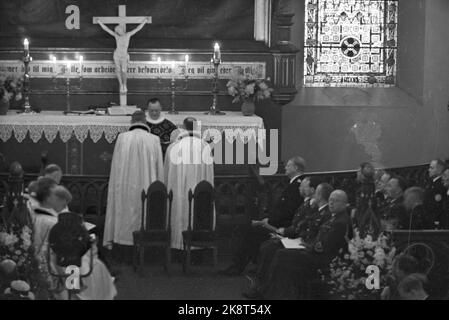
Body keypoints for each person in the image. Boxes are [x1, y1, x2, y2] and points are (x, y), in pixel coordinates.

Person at [250, 190, 350, 300]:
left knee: (282, 255)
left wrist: (306, 246)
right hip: (314, 252)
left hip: (322, 258)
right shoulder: (334, 217)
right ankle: (270, 291)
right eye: (330, 200)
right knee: (279, 253)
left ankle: (270, 293)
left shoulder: (340, 221)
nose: (331, 203)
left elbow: (323, 246)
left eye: (336, 201)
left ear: (345, 203)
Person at [219, 157, 305, 276]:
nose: (285, 167)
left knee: (245, 231)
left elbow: (288, 211)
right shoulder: (295, 184)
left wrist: (268, 221)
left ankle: (239, 266)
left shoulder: (296, 186)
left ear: (296, 168)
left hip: (283, 226)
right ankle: (255, 266)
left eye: (288, 165)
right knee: (248, 230)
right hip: (279, 222)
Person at [103, 110, 164, 249]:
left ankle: (123, 241)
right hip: (147, 184)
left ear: (131, 122)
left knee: (125, 208)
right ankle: (144, 242)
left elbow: (116, 166)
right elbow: (159, 167)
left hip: (125, 183)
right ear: (145, 122)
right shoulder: (154, 139)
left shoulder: (122, 138)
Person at [165, 117, 214, 250]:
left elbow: (167, 177)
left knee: (179, 207)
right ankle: (198, 248)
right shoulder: (205, 146)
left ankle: (177, 245)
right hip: (200, 197)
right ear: (196, 127)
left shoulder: (173, 147)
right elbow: (209, 179)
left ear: (183, 127)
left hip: (178, 194)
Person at [95, 17, 150, 92]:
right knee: (118, 70)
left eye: (118, 30)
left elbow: (137, 29)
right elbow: (107, 30)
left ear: (122, 29)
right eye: (116, 31)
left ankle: (124, 84)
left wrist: (145, 21)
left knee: (124, 71)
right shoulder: (117, 36)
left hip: (124, 56)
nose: (118, 32)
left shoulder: (128, 35)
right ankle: (121, 85)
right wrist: (99, 22)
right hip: (117, 55)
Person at [425, 159, 447, 229]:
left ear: (439, 170)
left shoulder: (441, 185)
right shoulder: (430, 183)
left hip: (436, 220)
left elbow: (439, 205)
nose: (429, 170)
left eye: (432, 168)